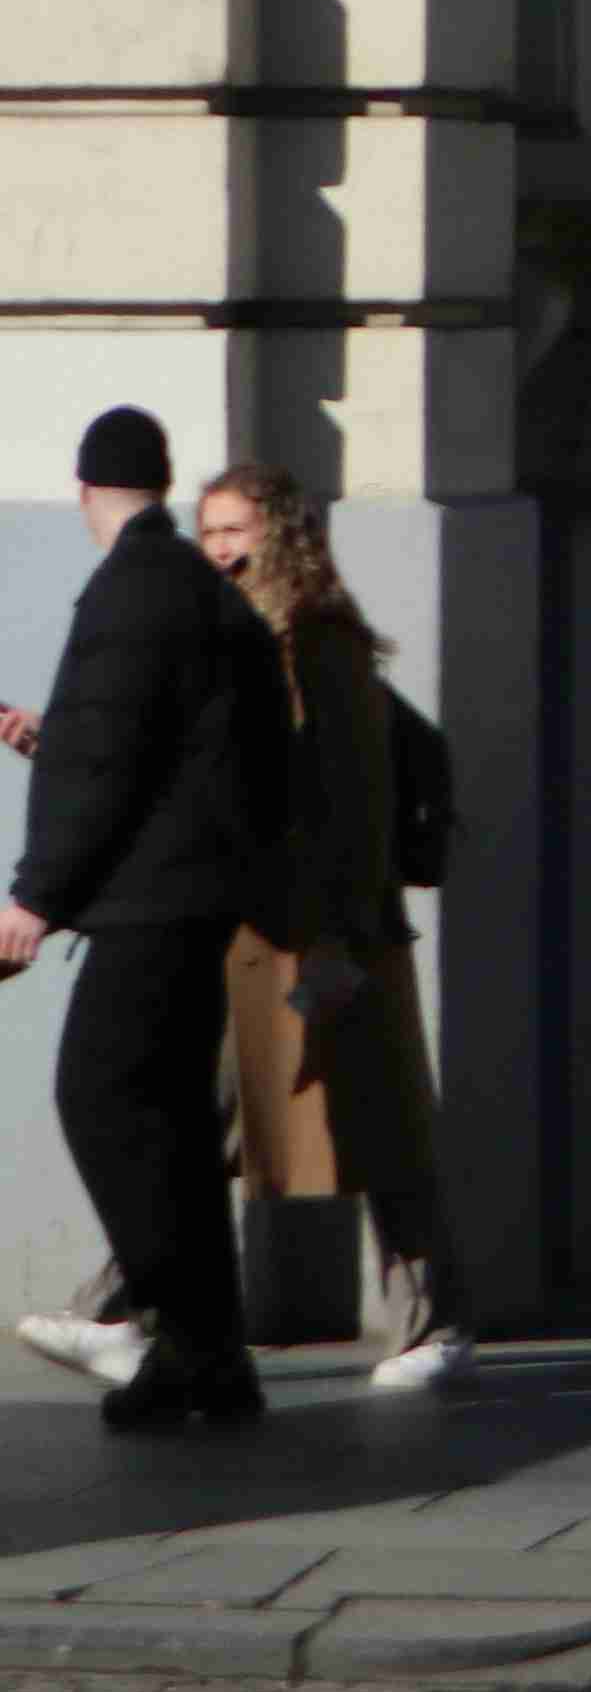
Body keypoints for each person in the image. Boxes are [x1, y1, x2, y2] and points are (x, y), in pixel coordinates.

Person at [0, 411, 290, 1431]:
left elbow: (106, 758)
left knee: (102, 1097)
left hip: (152, 903)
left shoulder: (128, 592)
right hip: (199, 895)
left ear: (86, 491)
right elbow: (182, 745)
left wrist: (35, 897)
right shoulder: (202, 590)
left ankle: (183, 1332)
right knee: (163, 1122)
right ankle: (208, 1358)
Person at [194, 466, 476, 1393]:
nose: (221, 549)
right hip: (277, 932)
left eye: (236, 530)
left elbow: (350, 797)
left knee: (379, 1126)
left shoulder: (316, 642)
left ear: (281, 536)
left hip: (328, 936)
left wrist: (340, 933)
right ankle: (123, 1304)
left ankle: (433, 1324)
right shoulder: (260, 644)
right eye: (208, 533)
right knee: (199, 1123)